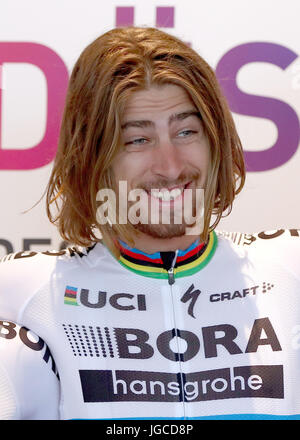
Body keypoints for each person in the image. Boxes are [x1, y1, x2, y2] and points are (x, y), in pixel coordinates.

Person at [0, 25, 300, 420]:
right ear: (92, 157)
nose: (171, 167)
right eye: (137, 140)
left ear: (217, 141)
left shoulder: (290, 270)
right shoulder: (22, 294)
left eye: (186, 131)